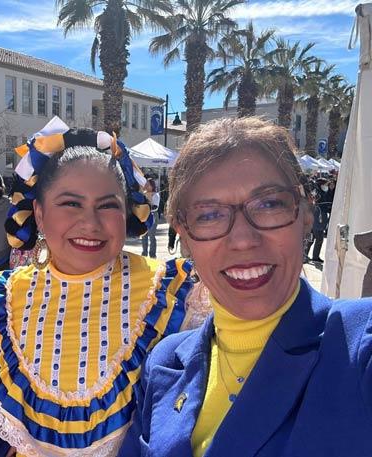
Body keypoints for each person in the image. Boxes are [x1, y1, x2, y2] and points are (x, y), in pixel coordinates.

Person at [122, 117, 372, 456]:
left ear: (306, 215)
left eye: (269, 204)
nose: (242, 240)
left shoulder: (359, 342)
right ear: (183, 234)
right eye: (209, 214)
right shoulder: (164, 364)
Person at [0, 124, 205, 455]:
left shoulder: (176, 292)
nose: (91, 223)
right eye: (71, 204)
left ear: (126, 210)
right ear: (39, 213)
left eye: (108, 205)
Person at [141, 180, 162, 257]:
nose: (146, 185)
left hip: (152, 216)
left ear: (152, 186)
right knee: (144, 235)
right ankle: (144, 253)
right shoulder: (144, 194)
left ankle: (152, 254)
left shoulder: (155, 195)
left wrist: (147, 207)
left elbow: (155, 207)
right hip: (145, 216)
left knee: (151, 235)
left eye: (148, 184)